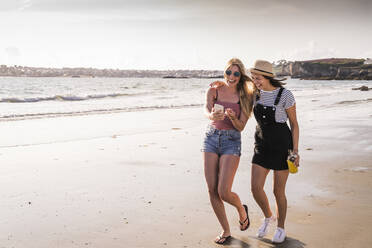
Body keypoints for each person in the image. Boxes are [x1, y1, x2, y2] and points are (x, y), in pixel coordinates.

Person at [202, 58, 255, 244]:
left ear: (241, 76)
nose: (231, 77)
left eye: (236, 73)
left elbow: (241, 127)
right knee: (212, 190)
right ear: (224, 73)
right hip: (210, 138)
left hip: (231, 141)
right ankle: (225, 230)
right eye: (228, 72)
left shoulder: (246, 96)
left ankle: (241, 210)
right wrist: (212, 115)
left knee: (224, 191)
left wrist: (232, 118)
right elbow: (206, 110)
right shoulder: (214, 89)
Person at [249, 60, 300, 243]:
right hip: (261, 145)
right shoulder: (254, 94)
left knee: (278, 191)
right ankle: (269, 216)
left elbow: (294, 124)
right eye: (253, 78)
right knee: (255, 188)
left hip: (281, 147)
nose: (256, 81)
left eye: (259, 78)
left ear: (268, 76)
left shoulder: (285, 95)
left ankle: (281, 227)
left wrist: (294, 151)